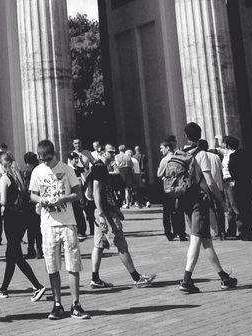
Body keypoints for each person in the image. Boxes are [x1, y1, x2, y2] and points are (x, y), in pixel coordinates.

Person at [168, 123, 238, 294]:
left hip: (185, 200)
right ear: (200, 136)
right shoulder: (201, 154)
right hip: (199, 201)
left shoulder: (180, 153)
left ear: (185, 136)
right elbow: (210, 182)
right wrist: (221, 202)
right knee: (196, 239)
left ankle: (224, 277)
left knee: (206, 241)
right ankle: (186, 280)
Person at [29, 139, 90, 320]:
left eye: (47, 159)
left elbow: (78, 193)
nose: (45, 163)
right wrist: (41, 201)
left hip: (67, 222)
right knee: (52, 265)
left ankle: (76, 304)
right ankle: (57, 304)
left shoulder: (67, 169)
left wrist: (63, 199)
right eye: (42, 160)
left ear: (53, 154)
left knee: (73, 264)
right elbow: (32, 194)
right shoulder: (37, 171)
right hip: (47, 223)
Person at [85, 146, 156, 290]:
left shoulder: (102, 167)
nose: (113, 154)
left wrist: (117, 210)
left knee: (99, 245)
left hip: (106, 211)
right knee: (121, 244)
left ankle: (95, 278)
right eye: (110, 152)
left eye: (113, 152)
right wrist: (102, 214)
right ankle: (136, 278)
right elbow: (97, 192)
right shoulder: (99, 168)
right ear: (103, 153)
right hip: (105, 213)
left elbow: (107, 192)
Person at [0, 149, 45, 300]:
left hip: (11, 217)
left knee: (16, 255)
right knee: (11, 254)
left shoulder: (5, 178)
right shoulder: (19, 174)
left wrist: (1, 204)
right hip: (23, 217)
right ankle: (3, 289)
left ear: (3, 164)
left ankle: (37, 285)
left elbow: (2, 200)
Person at [222, 136, 252, 240]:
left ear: (228, 144)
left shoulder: (234, 156)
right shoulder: (245, 154)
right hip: (246, 184)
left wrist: (235, 181)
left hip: (237, 185)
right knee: (249, 209)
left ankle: (247, 232)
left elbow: (232, 170)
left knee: (241, 209)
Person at [158, 137, 188, 241]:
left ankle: (168, 233)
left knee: (167, 212)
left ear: (167, 148)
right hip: (178, 187)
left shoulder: (165, 160)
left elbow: (159, 174)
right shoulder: (179, 157)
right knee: (179, 210)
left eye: (162, 148)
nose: (161, 150)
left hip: (167, 188)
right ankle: (181, 232)